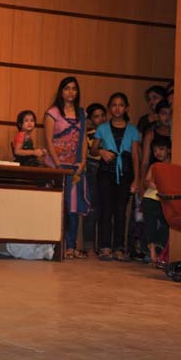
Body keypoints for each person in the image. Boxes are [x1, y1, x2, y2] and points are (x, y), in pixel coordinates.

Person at [91, 92, 141, 261]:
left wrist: (137, 179)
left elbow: (135, 156)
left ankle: (119, 247)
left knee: (120, 211)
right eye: (114, 105)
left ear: (126, 108)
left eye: (121, 105)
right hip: (106, 172)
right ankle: (105, 246)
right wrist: (101, 151)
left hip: (125, 172)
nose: (117, 108)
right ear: (109, 108)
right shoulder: (102, 128)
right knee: (105, 208)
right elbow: (93, 149)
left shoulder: (132, 129)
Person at [44, 76, 89, 260]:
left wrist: (83, 161)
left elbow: (83, 140)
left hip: (75, 168)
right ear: (61, 91)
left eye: (74, 88)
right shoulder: (52, 113)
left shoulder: (81, 114)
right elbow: (48, 140)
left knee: (73, 208)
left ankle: (71, 246)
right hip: (56, 167)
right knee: (57, 207)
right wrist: (58, 165)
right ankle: (56, 245)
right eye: (67, 88)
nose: (71, 92)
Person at [141, 135, 172, 266]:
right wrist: (149, 183)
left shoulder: (174, 164)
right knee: (150, 225)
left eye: (161, 149)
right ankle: (152, 251)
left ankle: (157, 249)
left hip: (165, 200)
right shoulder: (154, 166)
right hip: (150, 199)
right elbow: (146, 181)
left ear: (169, 150)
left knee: (168, 224)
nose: (157, 153)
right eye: (155, 150)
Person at [83, 102, 107, 256]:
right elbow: (92, 152)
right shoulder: (89, 134)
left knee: (105, 210)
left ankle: (104, 246)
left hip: (107, 170)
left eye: (103, 115)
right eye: (96, 117)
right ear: (91, 120)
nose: (101, 119)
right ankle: (89, 246)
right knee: (92, 208)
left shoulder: (110, 132)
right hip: (92, 169)